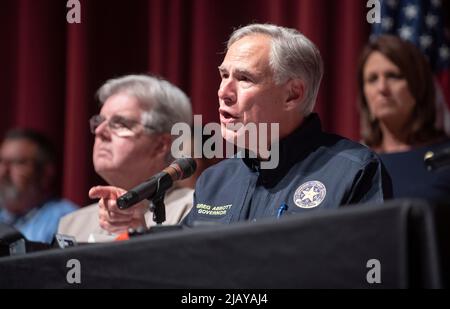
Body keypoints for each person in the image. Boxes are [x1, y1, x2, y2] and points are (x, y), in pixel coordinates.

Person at [94, 23, 392, 231]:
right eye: (224, 75)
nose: (224, 91)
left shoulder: (353, 170)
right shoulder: (215, 181)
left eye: (245, 79)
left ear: (293, 94)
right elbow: (183, 269)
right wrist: (139, 227)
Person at [58, 75, 194, 242]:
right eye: (99, 122)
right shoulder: (71, 225)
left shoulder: (193, 210)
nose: (100, 131)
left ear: (160, 145)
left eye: (120, 124)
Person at [357, 35, 450, 202]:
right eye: (372, 79)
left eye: (393, 76)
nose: (382, 88)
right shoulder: (352, 163)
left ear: (417, 85)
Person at [0, 129, 77, 243]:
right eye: (1, 162)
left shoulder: (66, 219)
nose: (3, 172)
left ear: (45, 173)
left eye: (17, 162)